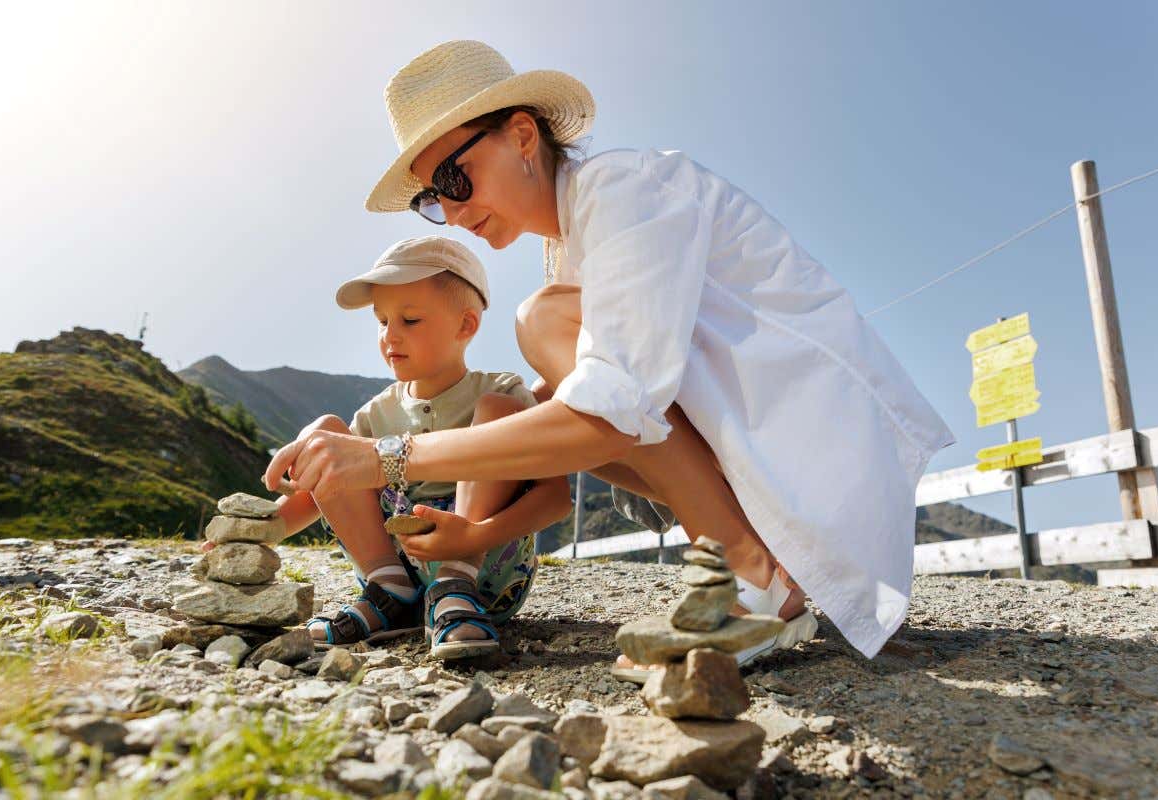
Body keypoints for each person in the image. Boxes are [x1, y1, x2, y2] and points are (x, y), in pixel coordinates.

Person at [265, 40, 954, 677]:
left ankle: (753, 576)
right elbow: (575, 428)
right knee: (544, 402)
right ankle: (757, 562)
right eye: (431, 197)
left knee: (550, 340)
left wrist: (386, 458)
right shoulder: (570, 245)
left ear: (523, 135)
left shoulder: (622, 188)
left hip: (812, 431)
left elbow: (613, 412)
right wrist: (454, 518)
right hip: (770, 444)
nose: (451, 205)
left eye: (456, 174)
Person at [250, 235, 572, 659]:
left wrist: (475, 535)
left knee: (497, 412)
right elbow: (323, 490)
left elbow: (556, 496)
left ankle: (456, 587)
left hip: (486, 569)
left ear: (466, 326)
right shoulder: (372, 415)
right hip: (399, 565)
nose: (390, 336)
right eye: (382, 321)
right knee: (328, 434)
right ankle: (389, 592)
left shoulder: (503, 391)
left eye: (411, 321)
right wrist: (258, 534)